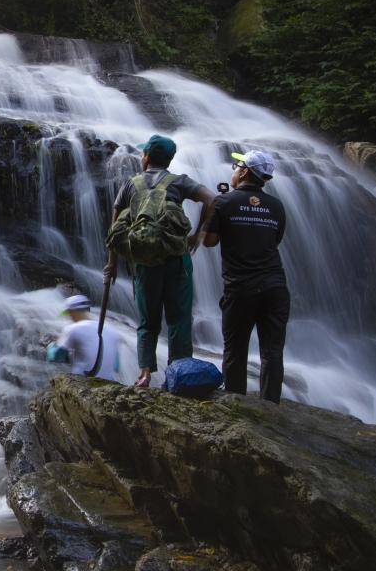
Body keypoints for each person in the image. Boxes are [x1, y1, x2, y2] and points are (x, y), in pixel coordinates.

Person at [103, 134, 216, 389]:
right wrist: (198, 234)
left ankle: (144, 374)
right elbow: (212, 199)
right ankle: (179, 372)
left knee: (148, 320)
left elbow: (115, 228)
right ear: (169, 159)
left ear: (146, 157)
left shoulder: (130, 185)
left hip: (144, 263)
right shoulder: (180, 182)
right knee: (179, 318)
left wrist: (112, 264)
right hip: (176, 260)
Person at [202, 149, 290, 403]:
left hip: (240, 289)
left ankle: (235, 404)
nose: (233, 171)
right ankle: (270, 407)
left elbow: (208, 241)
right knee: (272, 352)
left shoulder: (224, 202)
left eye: (235, 166)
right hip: (275, 286)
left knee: (235, 351)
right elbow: (275, 242)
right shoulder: (277, 205)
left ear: (244, 172)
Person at [46, 293, 122, 380]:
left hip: (83, 385)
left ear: (73, 311)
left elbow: (56, 357)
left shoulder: (73, 329)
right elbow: (116, 366)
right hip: (109, 386)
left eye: (68, 313)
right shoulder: (112, 332)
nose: (68, 316)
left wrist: (50, 347)